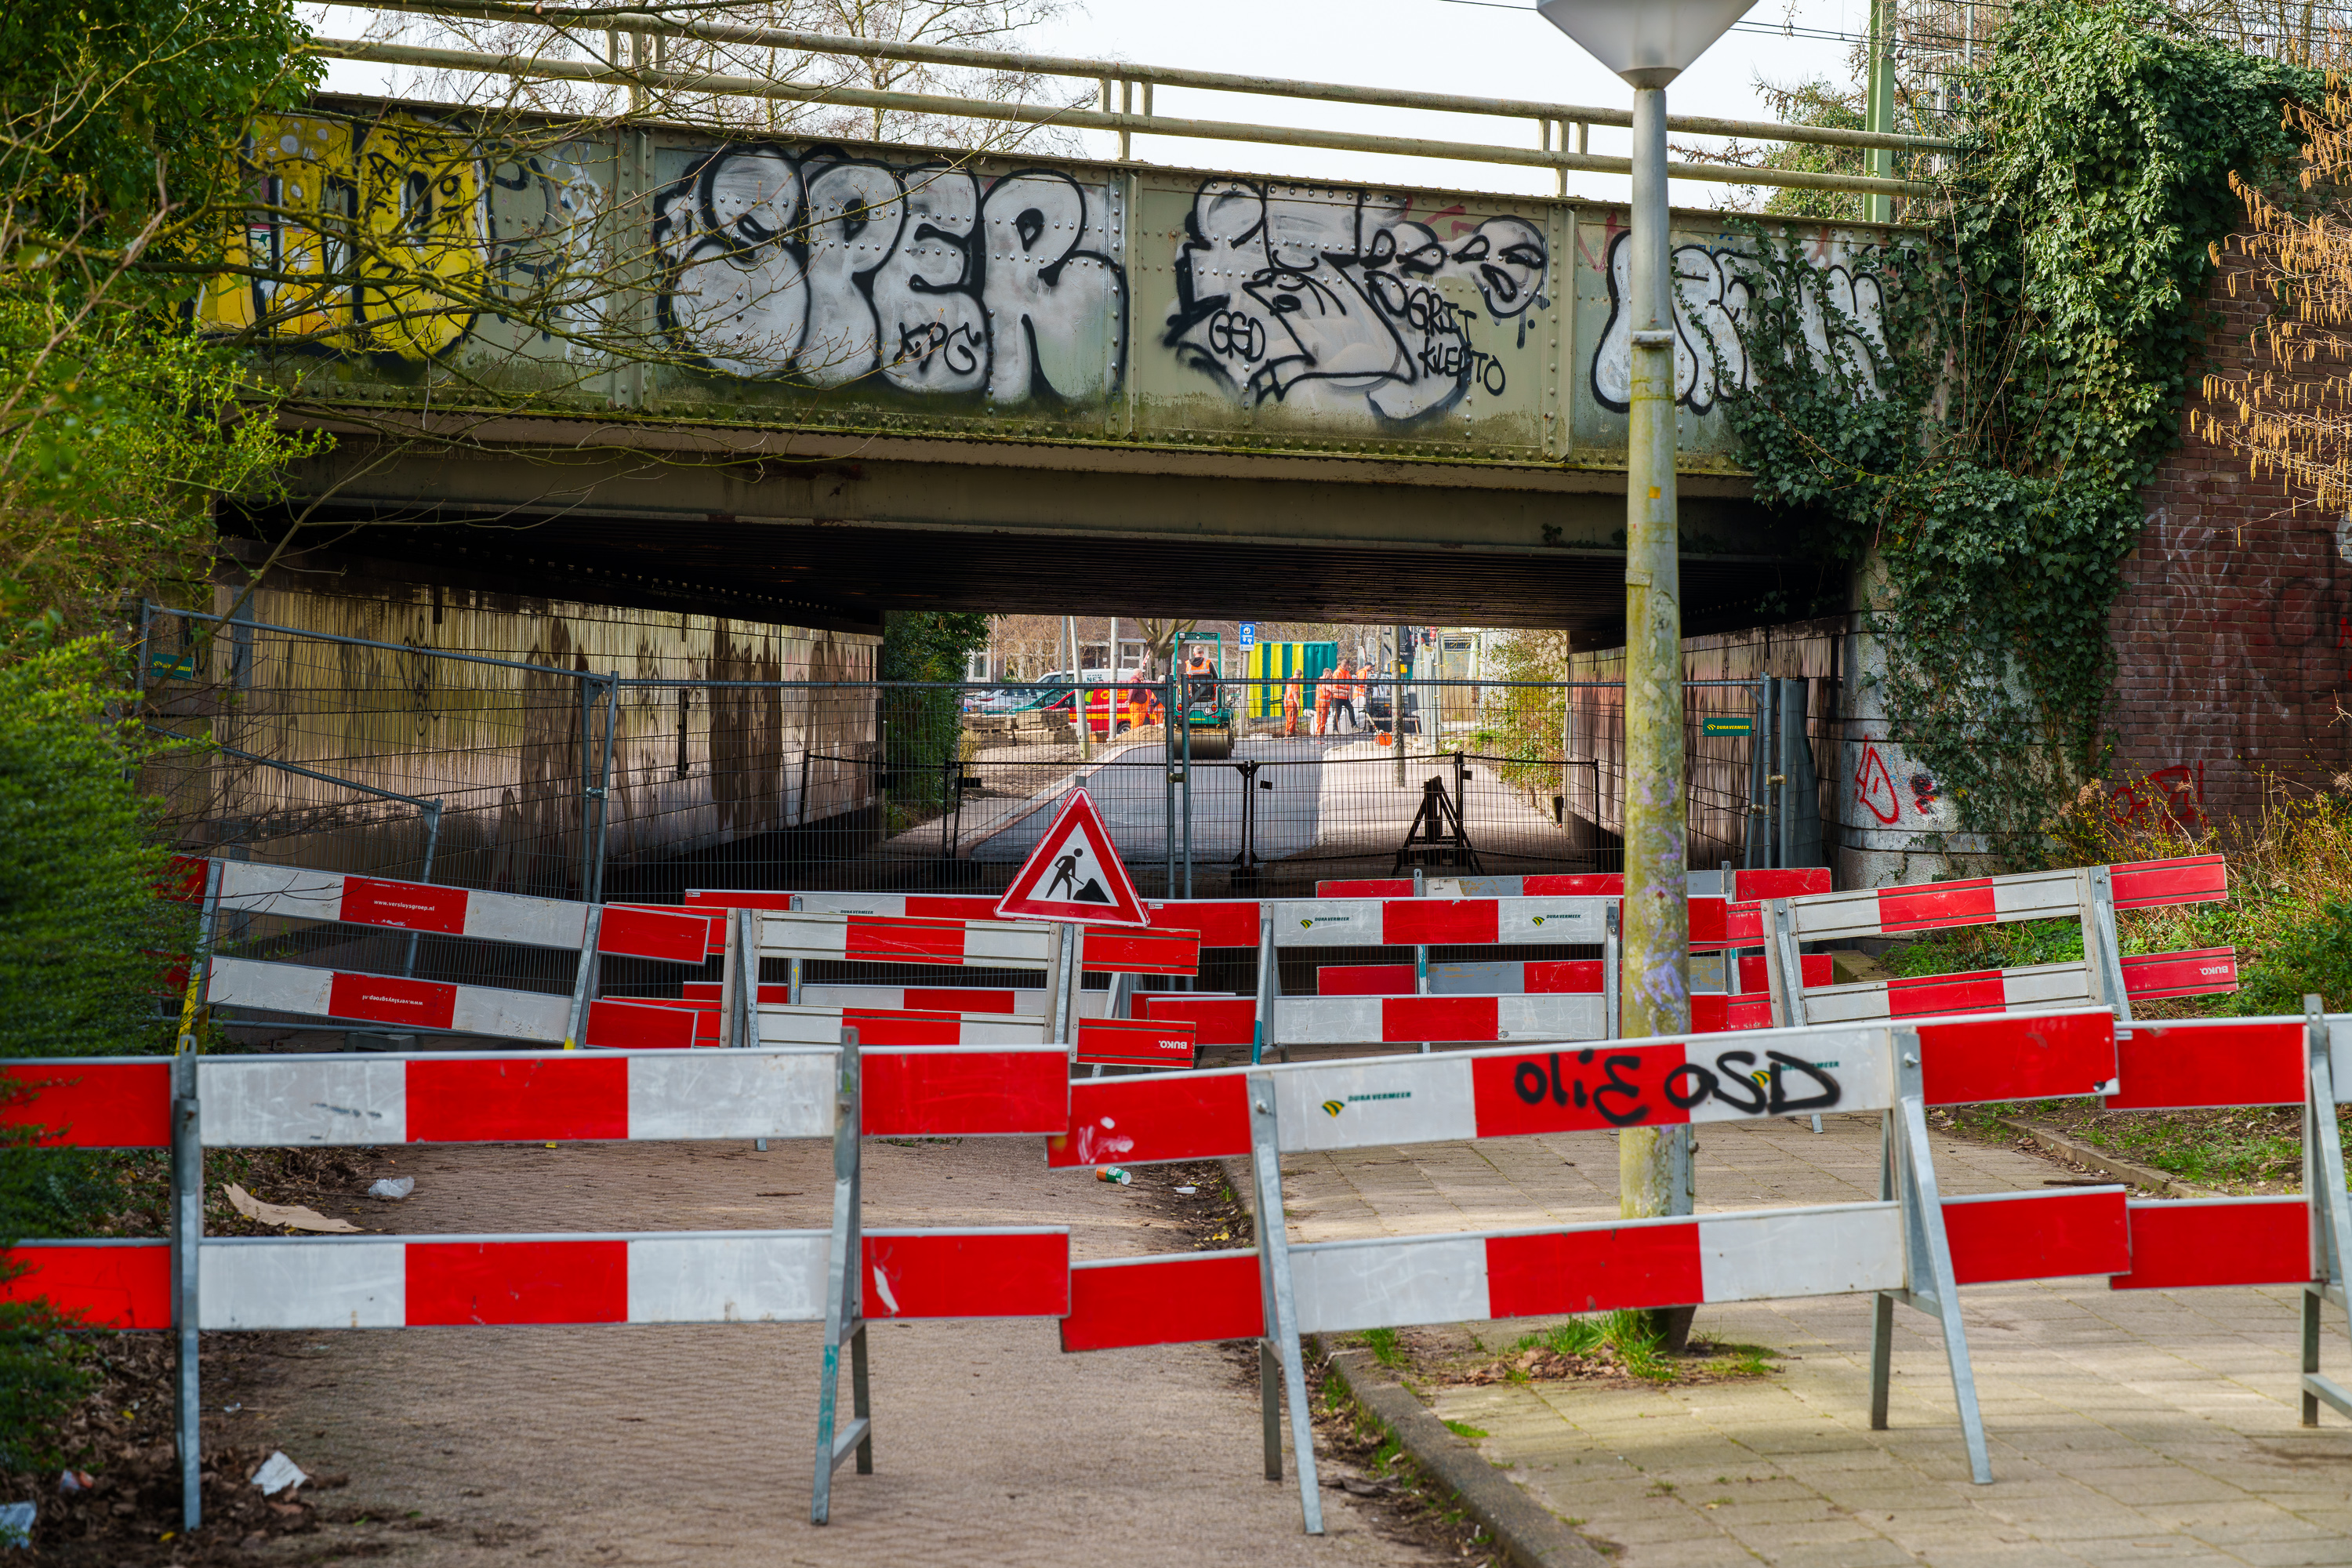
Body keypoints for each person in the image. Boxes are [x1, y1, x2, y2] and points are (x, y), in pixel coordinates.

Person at [1327, 659, 1358, 734]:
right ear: (1346, 665)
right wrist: (1345, 690)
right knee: (1338, 712)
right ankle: (1335, 729)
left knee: (1351, 709)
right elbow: (1335, 687)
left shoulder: (1346, 673)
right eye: (1348, 666)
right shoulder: (1337, 673)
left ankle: (1354, 725)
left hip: (1345, 697)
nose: (1349, 667)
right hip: (1338, 697)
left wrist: (1361, 684)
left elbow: (1352, 680)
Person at [1282, 674, 1302, 738]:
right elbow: (1294, 694)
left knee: (1290, 718)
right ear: (1299, 676)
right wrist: (1298, 704)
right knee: (1291, 719)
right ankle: (1289, 733)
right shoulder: (1295, 683)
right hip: (1291, 703)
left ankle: (1292, 732)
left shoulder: (1289, 680)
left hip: (1286, 702)